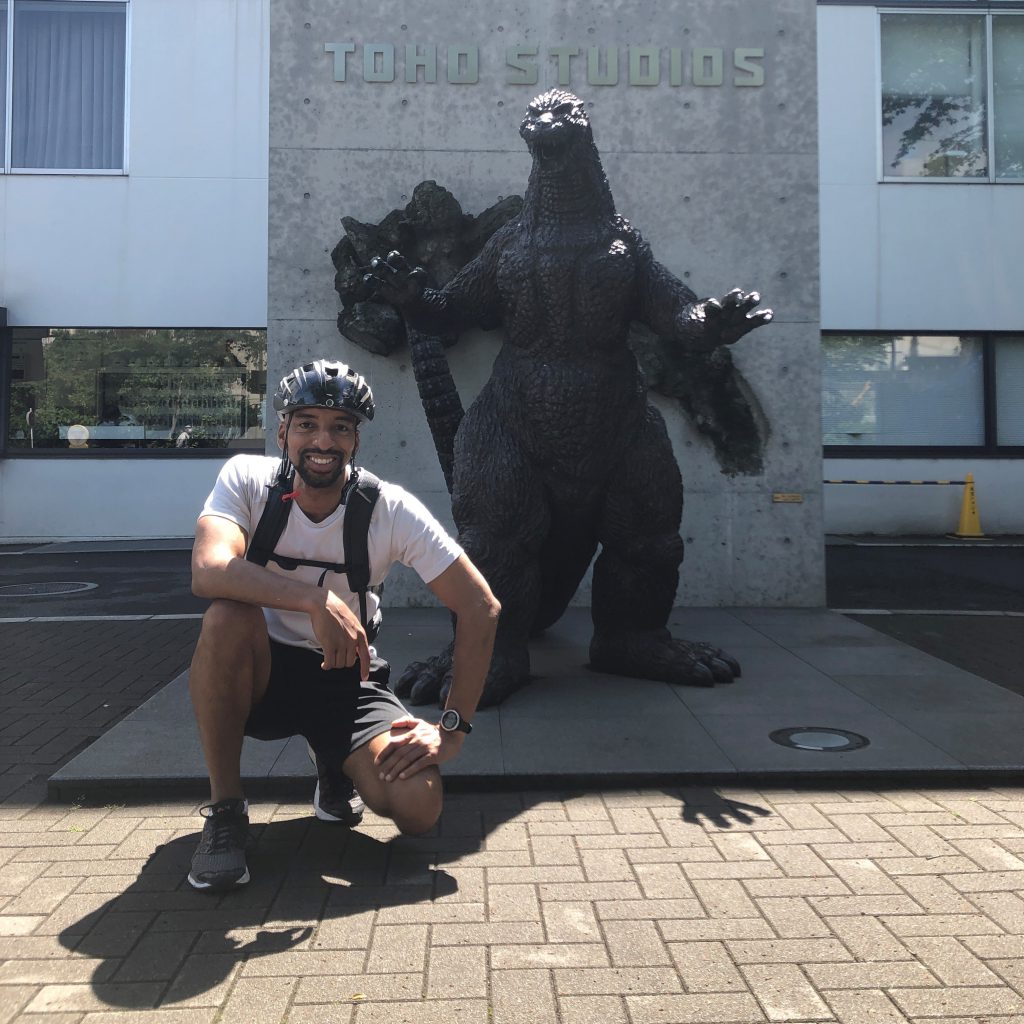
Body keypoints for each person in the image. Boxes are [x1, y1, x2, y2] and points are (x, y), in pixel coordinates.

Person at [186, 359, 500, 892]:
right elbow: (208, 569)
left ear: (356, 439)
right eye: (307, 423)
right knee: (225, 615)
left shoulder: (388, 509)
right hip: (258, 672)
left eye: (340, 427)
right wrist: (314, 601)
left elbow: (480, 606)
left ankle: (334, 764)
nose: (322, 440)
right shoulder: (246, 480)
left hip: (345, 677)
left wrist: (451, 730)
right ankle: (226, 810)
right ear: (283, 430)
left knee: (418, 806)